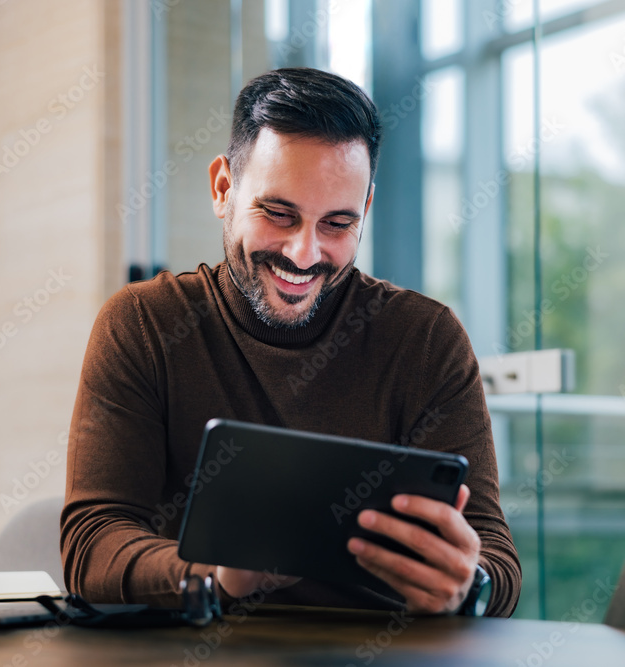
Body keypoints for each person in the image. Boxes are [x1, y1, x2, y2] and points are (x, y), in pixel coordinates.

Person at [61, 67, 521, 617]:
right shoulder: (143, 325)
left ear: (366, 210)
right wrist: (218, 576)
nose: (303, 255)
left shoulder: (426, 340)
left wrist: (470, 584)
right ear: (223, 188)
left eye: (336, 224)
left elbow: (497, 562)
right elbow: (91, 545)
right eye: (279, 214)